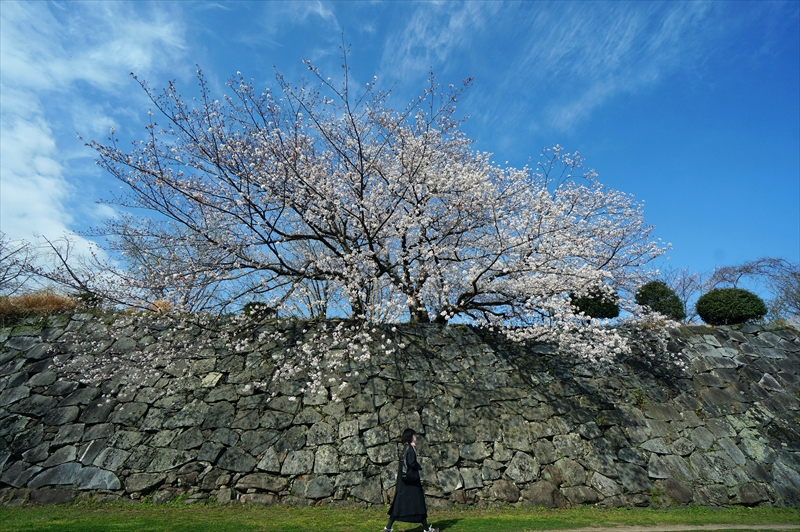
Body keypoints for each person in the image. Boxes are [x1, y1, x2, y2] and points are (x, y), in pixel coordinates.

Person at [382, 428, 438, 532]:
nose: (415, 437)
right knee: (418, 504)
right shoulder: (410, 448)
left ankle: (388, 527)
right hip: (411, 482)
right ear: (410, 436)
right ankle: (426, 529)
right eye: (414, 435)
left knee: (400, 504)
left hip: (405, 483)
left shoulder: (406, 448)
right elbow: (411, 463)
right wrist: (419, 466)